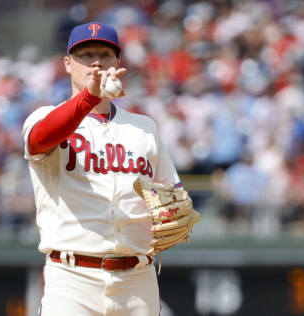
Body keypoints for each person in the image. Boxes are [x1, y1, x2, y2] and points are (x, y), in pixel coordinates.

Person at [22, 22, 193, 316]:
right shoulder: (45, 117)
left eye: (105, 54)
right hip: (72, 279)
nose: (96, 61)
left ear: (118, 62)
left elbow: (172, 194)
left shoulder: (144, 128)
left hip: (137, 280)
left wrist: (175, 211)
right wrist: (88, 98)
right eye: (85, 55)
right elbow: (40, 140)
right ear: (67, 64)